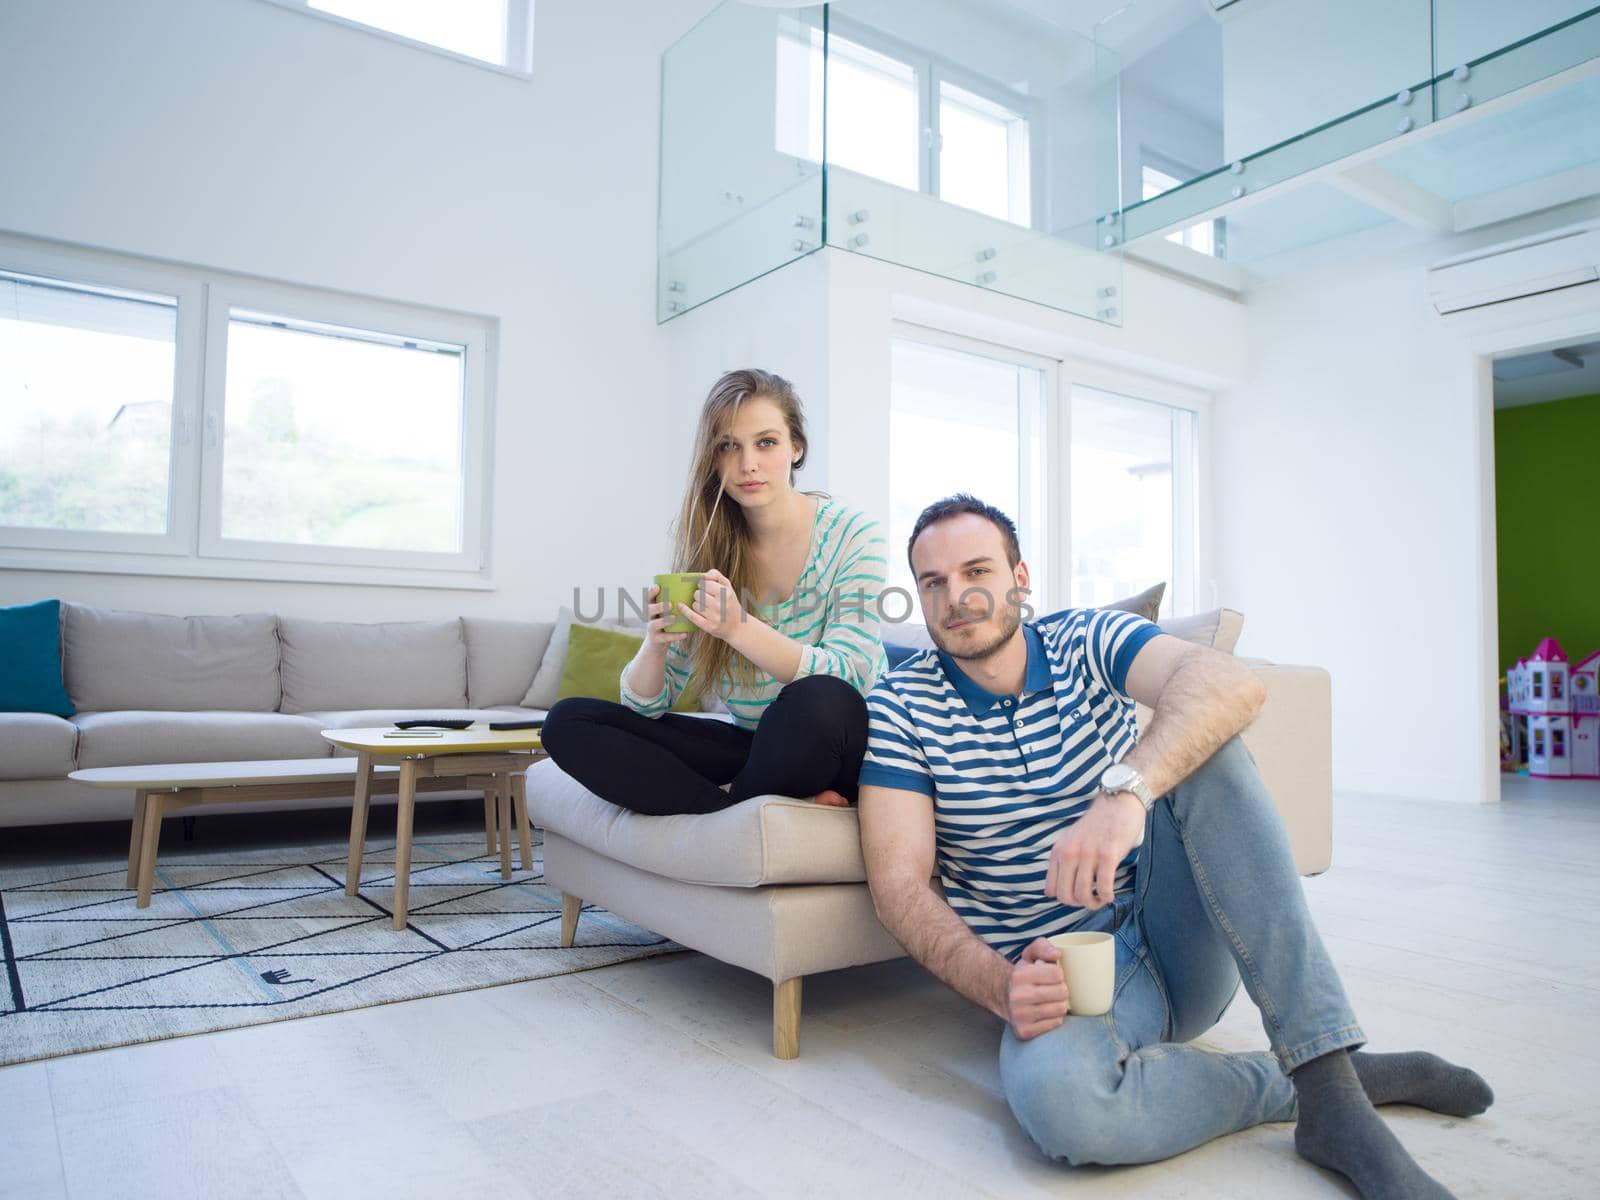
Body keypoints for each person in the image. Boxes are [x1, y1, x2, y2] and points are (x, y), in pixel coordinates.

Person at [857, 493, 1491, 1199]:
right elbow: (899, 885)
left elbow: (1229, 682)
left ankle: (1333, 1093)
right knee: (1067, 1109)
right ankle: (1318, 1085)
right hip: (1063, 981)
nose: (957, 597)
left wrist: (1123, 794)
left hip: (1176, 934)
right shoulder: (900, 705)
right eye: (933, 583)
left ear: (1020, 577)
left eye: (976, 571)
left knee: (1206, 745)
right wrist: (1001, 988)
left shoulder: (1083, 638)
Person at [541, 369, 888, 816]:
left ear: (796, 447)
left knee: (820, 697)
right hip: (758, 748)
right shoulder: (709, 551)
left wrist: (739, 628)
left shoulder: (856, 535)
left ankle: (732, 800)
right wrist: (655, 644)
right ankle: (731, 804)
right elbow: (646, 708)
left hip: (840, 747)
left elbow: (851, 675)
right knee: (569, 720)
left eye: (766, 442)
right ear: (713, 458)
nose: (748, 465)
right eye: (729, 446)